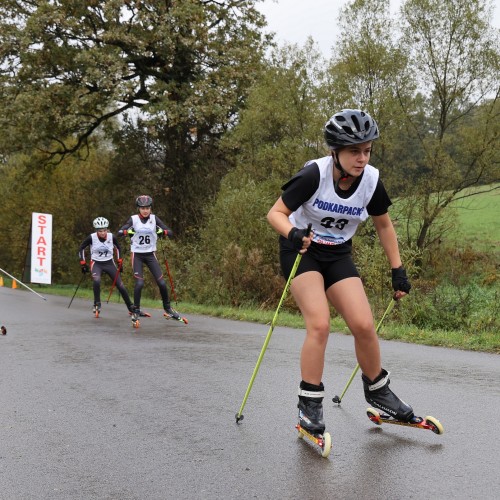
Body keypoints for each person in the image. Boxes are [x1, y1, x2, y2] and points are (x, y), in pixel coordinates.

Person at [267, 109, 413, 436]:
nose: (361, 158)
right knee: (319, 323)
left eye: (367, 150)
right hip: (301, 249)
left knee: (363, 324)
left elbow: (384, 225)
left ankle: (378, 392)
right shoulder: (312, 176)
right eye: (353, 151)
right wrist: (291, 232)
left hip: (336, 253)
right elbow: (275, 213)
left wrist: (397, 269)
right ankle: (309, 403)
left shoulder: (371, 181)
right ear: (336, 151)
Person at [118, 195, 184, 322]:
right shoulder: (133, 219)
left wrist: (162, 232)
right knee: (139, 283)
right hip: (137, 255)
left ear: (150, 208)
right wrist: (128, 232)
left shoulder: (154, 219)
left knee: (162, 283)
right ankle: (135, 310)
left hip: (150, 255)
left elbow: (170, 232)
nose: (145, 210)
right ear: (138, 208)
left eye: (147, 208)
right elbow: (119, 233)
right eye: (142, 208)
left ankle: (168, 308)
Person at [78, 217, 134, 317]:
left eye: (105, 230)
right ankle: (97, 304)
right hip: (96, 263)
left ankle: (131, 307)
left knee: (120, 285)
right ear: (96, 230)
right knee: (97, 281)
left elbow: (118, 248)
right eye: (100, 231)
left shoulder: (111, 237)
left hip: (109, 263)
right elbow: (81, 248)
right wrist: (83, 263)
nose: (103, 233)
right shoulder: (91, 237)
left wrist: (119, 261)